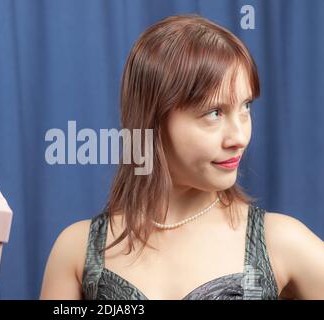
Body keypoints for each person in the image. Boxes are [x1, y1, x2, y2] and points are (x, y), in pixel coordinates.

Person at [40, 14, 324, 300]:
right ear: (153, 121)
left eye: (246, 106)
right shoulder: (77, 251)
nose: (239, 137)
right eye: (214, 113)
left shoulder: (282, 243)